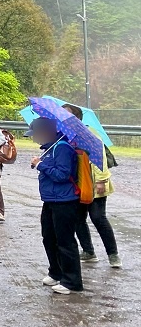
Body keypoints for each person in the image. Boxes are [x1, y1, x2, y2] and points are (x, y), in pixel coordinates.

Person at [30, 116, 83, 294]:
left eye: (36, 134)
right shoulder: (50, 148)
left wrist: (40, 165)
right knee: (49, 237)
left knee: (65, 241)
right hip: (51, 200)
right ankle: (56, 272)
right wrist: (41, 163)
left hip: (65, 201)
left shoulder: (63, 149)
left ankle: (72, 281)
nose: (35, 138)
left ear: (48, 131)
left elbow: (61, 175)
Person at [64, 104, 121, 268]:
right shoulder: (67, 135)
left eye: (68, 115)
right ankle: (88, 252)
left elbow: (99, 157)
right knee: (78, 219)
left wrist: (101, 180)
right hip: (78, 184)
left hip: (95, 182)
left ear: (77, 118)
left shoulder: (88, 133)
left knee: (98, 217)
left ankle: (113, 255)